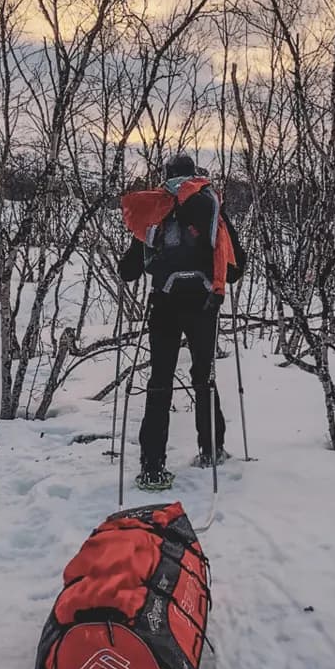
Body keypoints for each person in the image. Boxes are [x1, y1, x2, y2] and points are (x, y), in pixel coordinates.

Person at [116, 154, 241, 492]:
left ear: (165, 177)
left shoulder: (154, 209)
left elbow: (127, 272)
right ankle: (211, 450)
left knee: (159, 381)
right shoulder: (210, 206)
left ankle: (152, 465)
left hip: (164, 304)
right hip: (203, 304)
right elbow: (237, 266)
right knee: (204, 375)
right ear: (195, 177)